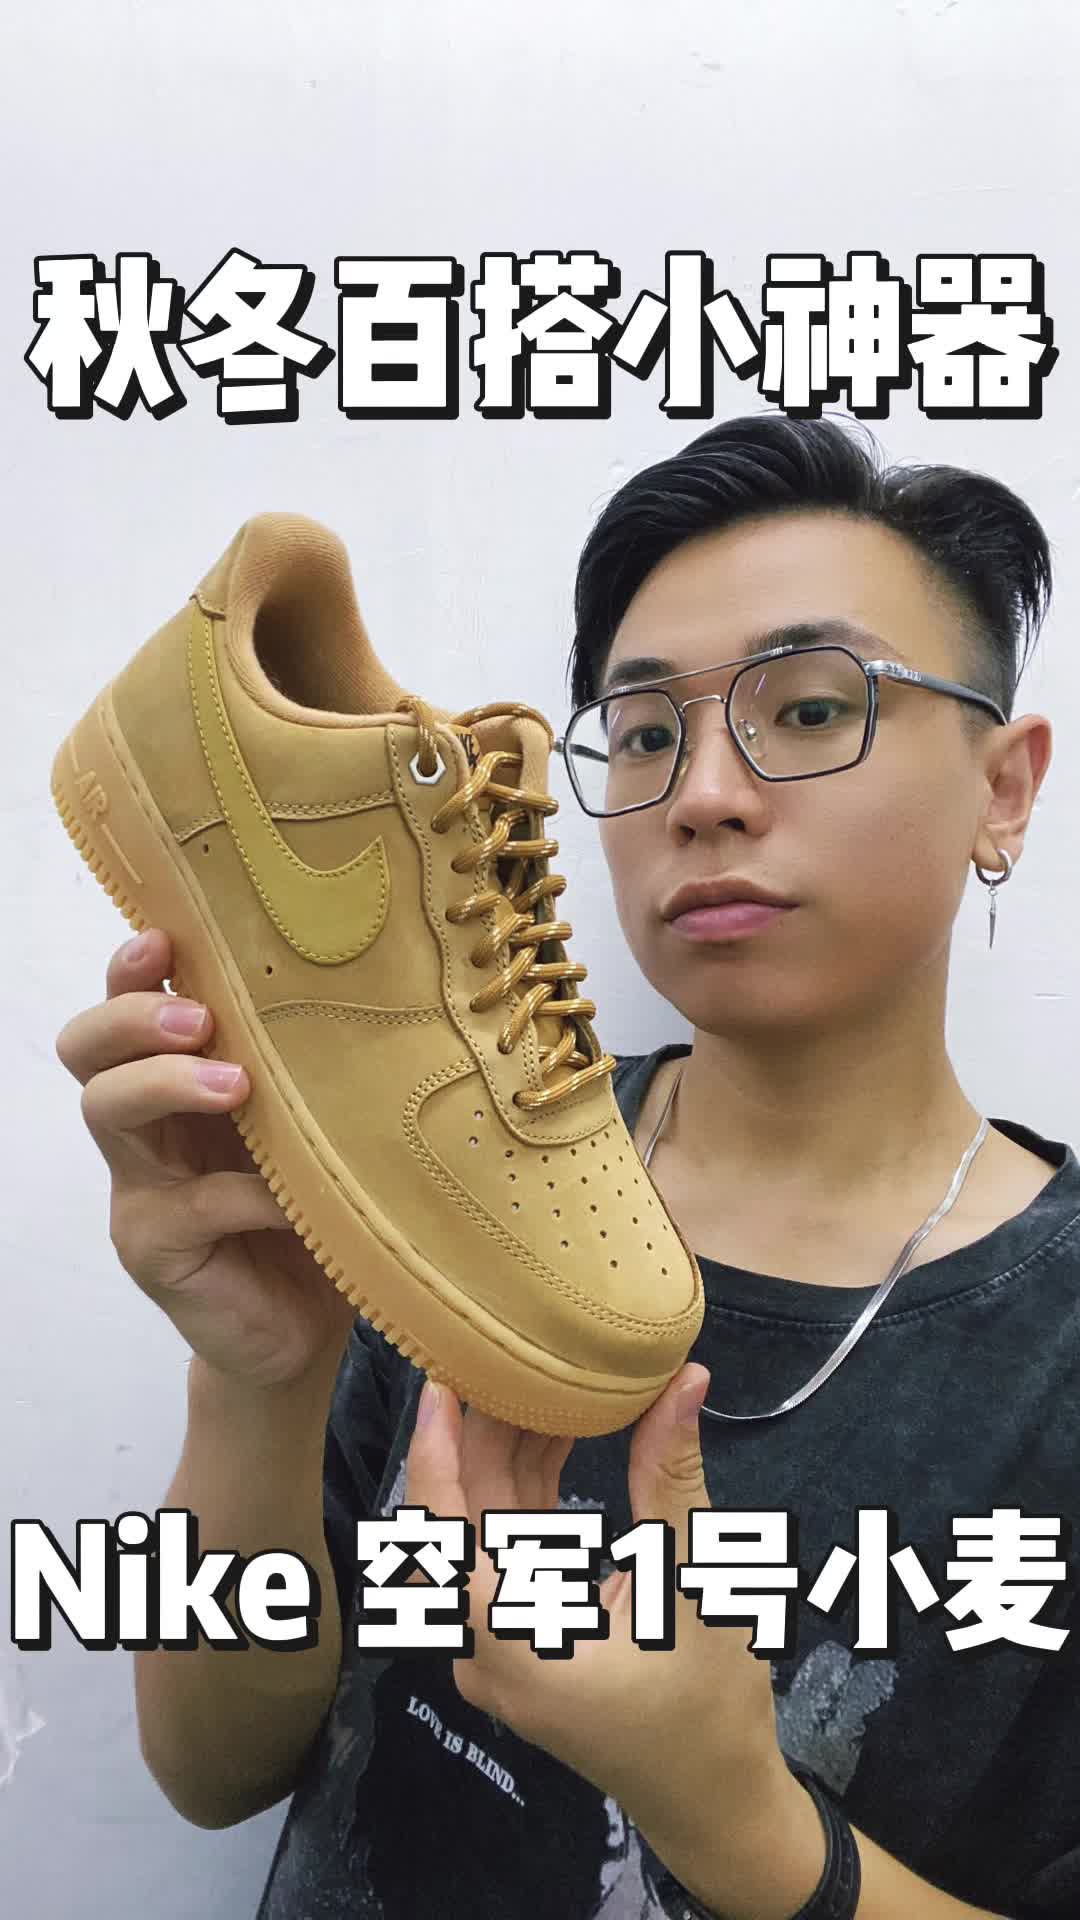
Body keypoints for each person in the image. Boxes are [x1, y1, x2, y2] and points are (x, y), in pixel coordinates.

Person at [55, 414, 1080, 1919]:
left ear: (1005, 786)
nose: (704, 794)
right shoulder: (441, 1170)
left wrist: (743, 1825)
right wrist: (256, 1383)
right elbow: (213, 1768)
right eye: (646, 732)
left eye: (811, 708)